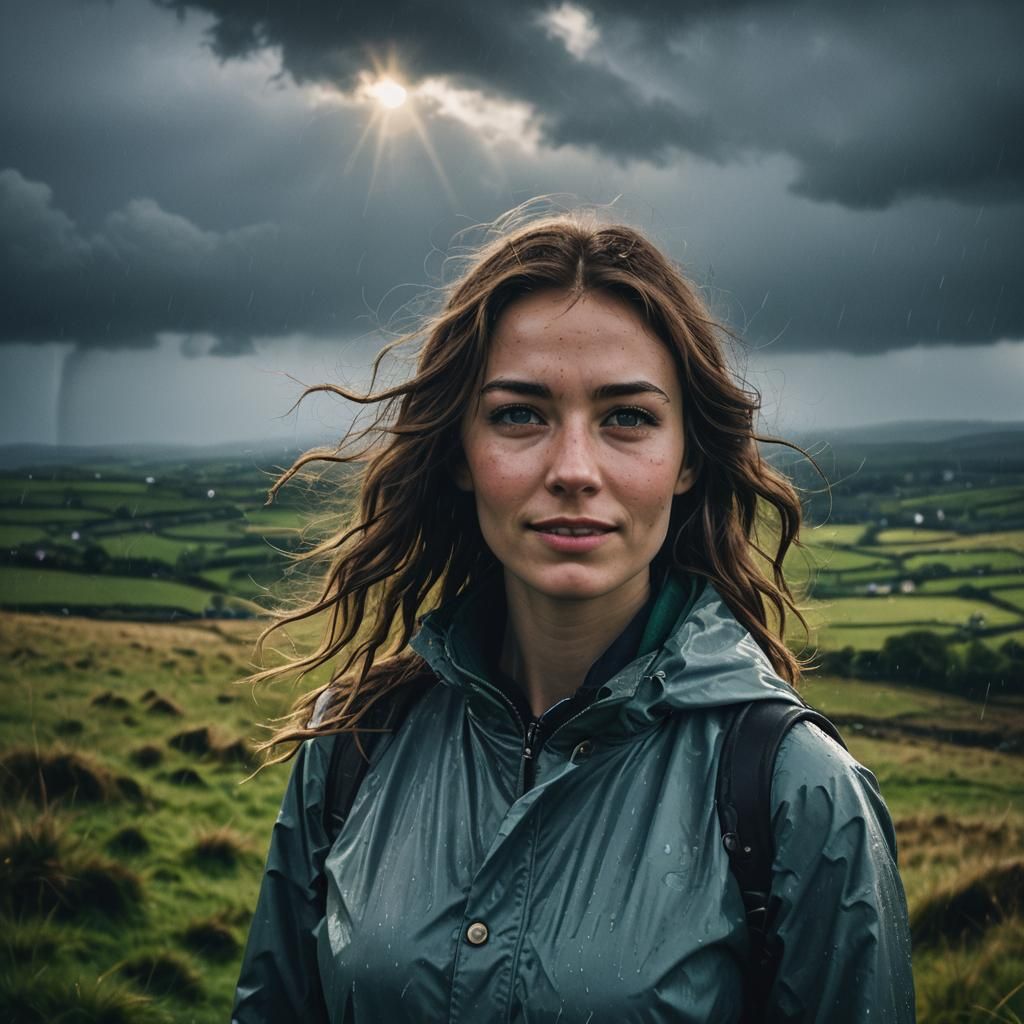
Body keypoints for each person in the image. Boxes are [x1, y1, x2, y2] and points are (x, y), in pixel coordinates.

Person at [232, 208, 915, 1023]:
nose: (573, 469)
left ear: (688, 458)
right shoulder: (353, 741)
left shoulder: (794, 793)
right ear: (458, 450)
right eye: (520, 413)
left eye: (627, 416)